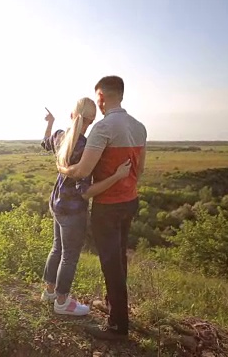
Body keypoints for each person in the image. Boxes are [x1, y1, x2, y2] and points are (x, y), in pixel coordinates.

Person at [58, 76, 147, 339]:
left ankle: (118, 326)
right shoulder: (139, 127)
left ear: (101, 97)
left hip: (107, 206)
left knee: (110, 263)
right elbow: (140, 170)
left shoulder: (103, 128)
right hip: (130, 200)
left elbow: (82, 171)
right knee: (119, 258)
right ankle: (114, 306)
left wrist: (62, 167)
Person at [40, 97, 132, 316]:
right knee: (69, 256)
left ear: (72, 115)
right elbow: (86, 191)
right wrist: (117, 176)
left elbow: (45, 142)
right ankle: (62, 302)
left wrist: (50, 122)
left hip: (57, 204)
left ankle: (49, 291)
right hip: (73, 211)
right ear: (91, 121)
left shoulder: (60, 136)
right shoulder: (86, 148)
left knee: (57, 248)